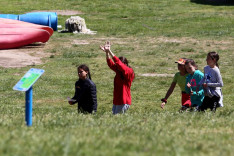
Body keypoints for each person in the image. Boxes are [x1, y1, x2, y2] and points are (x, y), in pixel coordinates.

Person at [100, 41, 135, 115]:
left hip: (123, 101)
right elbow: (111, 64)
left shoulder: (129, 71)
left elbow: (119, 64)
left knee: (117, 120)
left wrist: (110, 51)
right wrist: (107, 52)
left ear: (125, 64)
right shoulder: (119, 71)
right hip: (117, 100)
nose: (117, 67)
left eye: (120, 65)